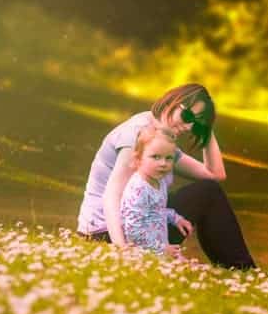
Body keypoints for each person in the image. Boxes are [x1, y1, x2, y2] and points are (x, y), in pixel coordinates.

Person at [77, 83, 256, 269]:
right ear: (173, 101)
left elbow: (214, 175)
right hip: (109, 232)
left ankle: (241, 269)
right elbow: (112, 195)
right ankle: (244, 269)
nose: (188, 126)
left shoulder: (159, 140)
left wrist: (207, 130)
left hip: (141, 224)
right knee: (208, 192)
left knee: (208, 190)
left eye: (196, 122)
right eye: (187, 116)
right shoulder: (136, 134)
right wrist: (122, 249)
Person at [120, 125, 191, 259]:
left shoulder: (159, 182)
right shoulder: (138, 189)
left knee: (189, 268)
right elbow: (133, 231)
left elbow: (156, 211)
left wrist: (175, 218)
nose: (163, 163)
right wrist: (160, 249)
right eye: (156, 157)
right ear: (138, 158)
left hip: (159, 246)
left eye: (168, 158)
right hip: (142, 252)